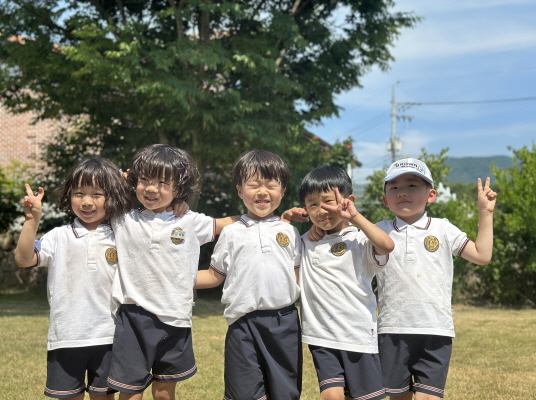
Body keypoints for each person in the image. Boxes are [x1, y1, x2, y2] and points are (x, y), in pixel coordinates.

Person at [106, 144, 236, 400]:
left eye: (163, 183)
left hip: (175, 317)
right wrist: (126, 179)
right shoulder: (122, 218)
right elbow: (103, 186)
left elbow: (229, 223)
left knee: (164, 392)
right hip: (133, 317)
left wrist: (277, 221)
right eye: (144, 180)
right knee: (130, 391)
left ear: (178, 189)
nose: (152, 188)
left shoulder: (189, 221)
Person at [376, 158, 496, 400]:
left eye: (412, 185)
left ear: (431, 195)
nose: (402, 193)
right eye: (394, 187)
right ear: (385, 200)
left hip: (435, 330)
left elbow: (482, 256)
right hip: (391, 330)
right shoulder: (377, 231)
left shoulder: (443, 229)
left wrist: (485, 212)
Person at [15, 157, 132, 400]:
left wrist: (127, 184)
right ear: (69, 195)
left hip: (109, 336)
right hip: (66, 337)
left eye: (97, 194)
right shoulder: (58, 237)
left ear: (112, 197)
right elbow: (24, 259)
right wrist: (31, 221)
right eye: (79, 193)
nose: (87, 201)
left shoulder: (122, 234)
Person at [195, 150, 303, 400]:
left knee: (285, 393)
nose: (262, 192)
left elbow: (298, 277)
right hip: (242, 324)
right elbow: (214, 275)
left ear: (283, 190)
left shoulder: (291, 232)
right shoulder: (231, 233)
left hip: (284, 323)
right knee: (243, 394)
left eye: (270, 185)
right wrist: (173, 277)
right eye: (253, 185)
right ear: (240, 191)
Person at [297, 166, 394, 400]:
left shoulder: (360, 240)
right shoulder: (304, 242)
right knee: (331, 395)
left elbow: (387, 246)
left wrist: (356, 217)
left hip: (358, 335)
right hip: (321, 336)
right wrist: (285, 218)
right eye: (313, 204)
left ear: (348, 201)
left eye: (328, 202)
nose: (321, 210)